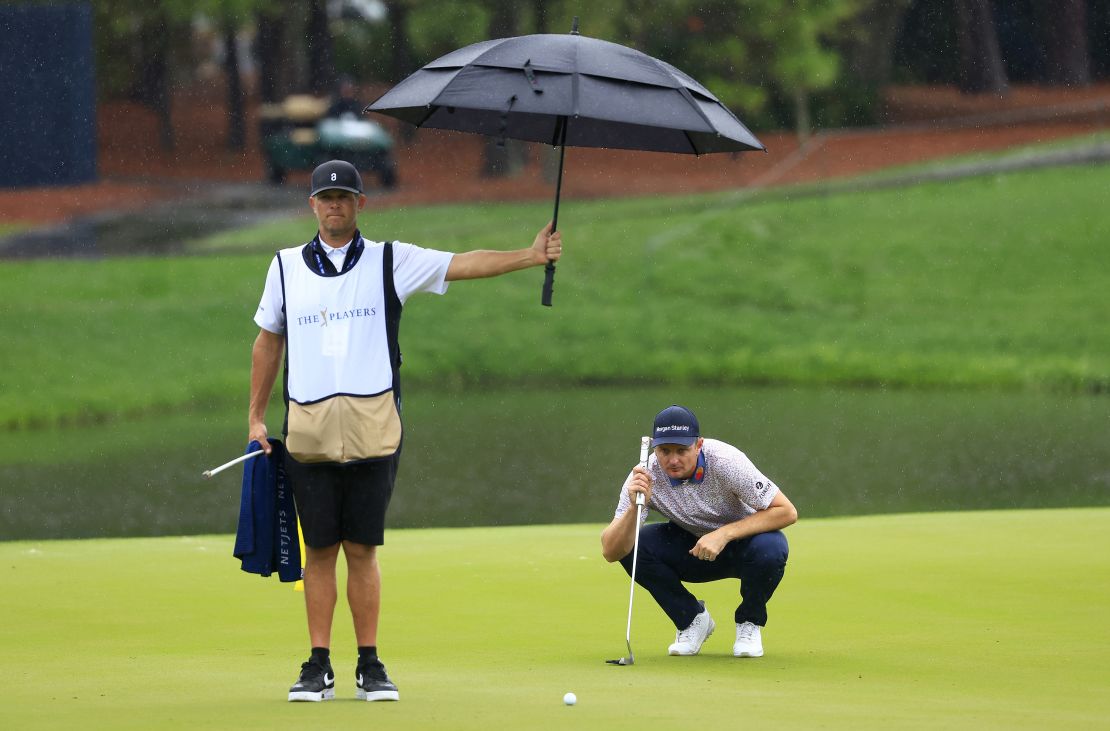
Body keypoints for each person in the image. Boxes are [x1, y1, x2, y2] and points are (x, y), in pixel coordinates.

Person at [248, 159, 563, 703]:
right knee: (320, 550)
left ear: (361, 204)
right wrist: (254, 415)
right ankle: (318, 663)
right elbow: (267, 341)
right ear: (311, 206)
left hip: (374, 427)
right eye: (325, 198)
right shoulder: (283, 267)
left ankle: (369, 663)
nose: (334, 206)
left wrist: (529, 256)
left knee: (363, 548)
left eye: (344, 197)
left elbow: (463, 264)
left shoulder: (390, 260)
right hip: (309, 431)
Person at [601, 405, 797, 658]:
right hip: (691, 550)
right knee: (632, 545)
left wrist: (723, 534)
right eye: (664, 451)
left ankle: (749, 622)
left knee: (772, 549)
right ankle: (691, 620)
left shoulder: (727, 462)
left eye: (682, 450)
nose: (673, 460)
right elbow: (610, 551)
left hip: (745, 546)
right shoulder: (644, 476)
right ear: (654, 449)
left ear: (699, 444)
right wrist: (634, 510)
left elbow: (786, 511)